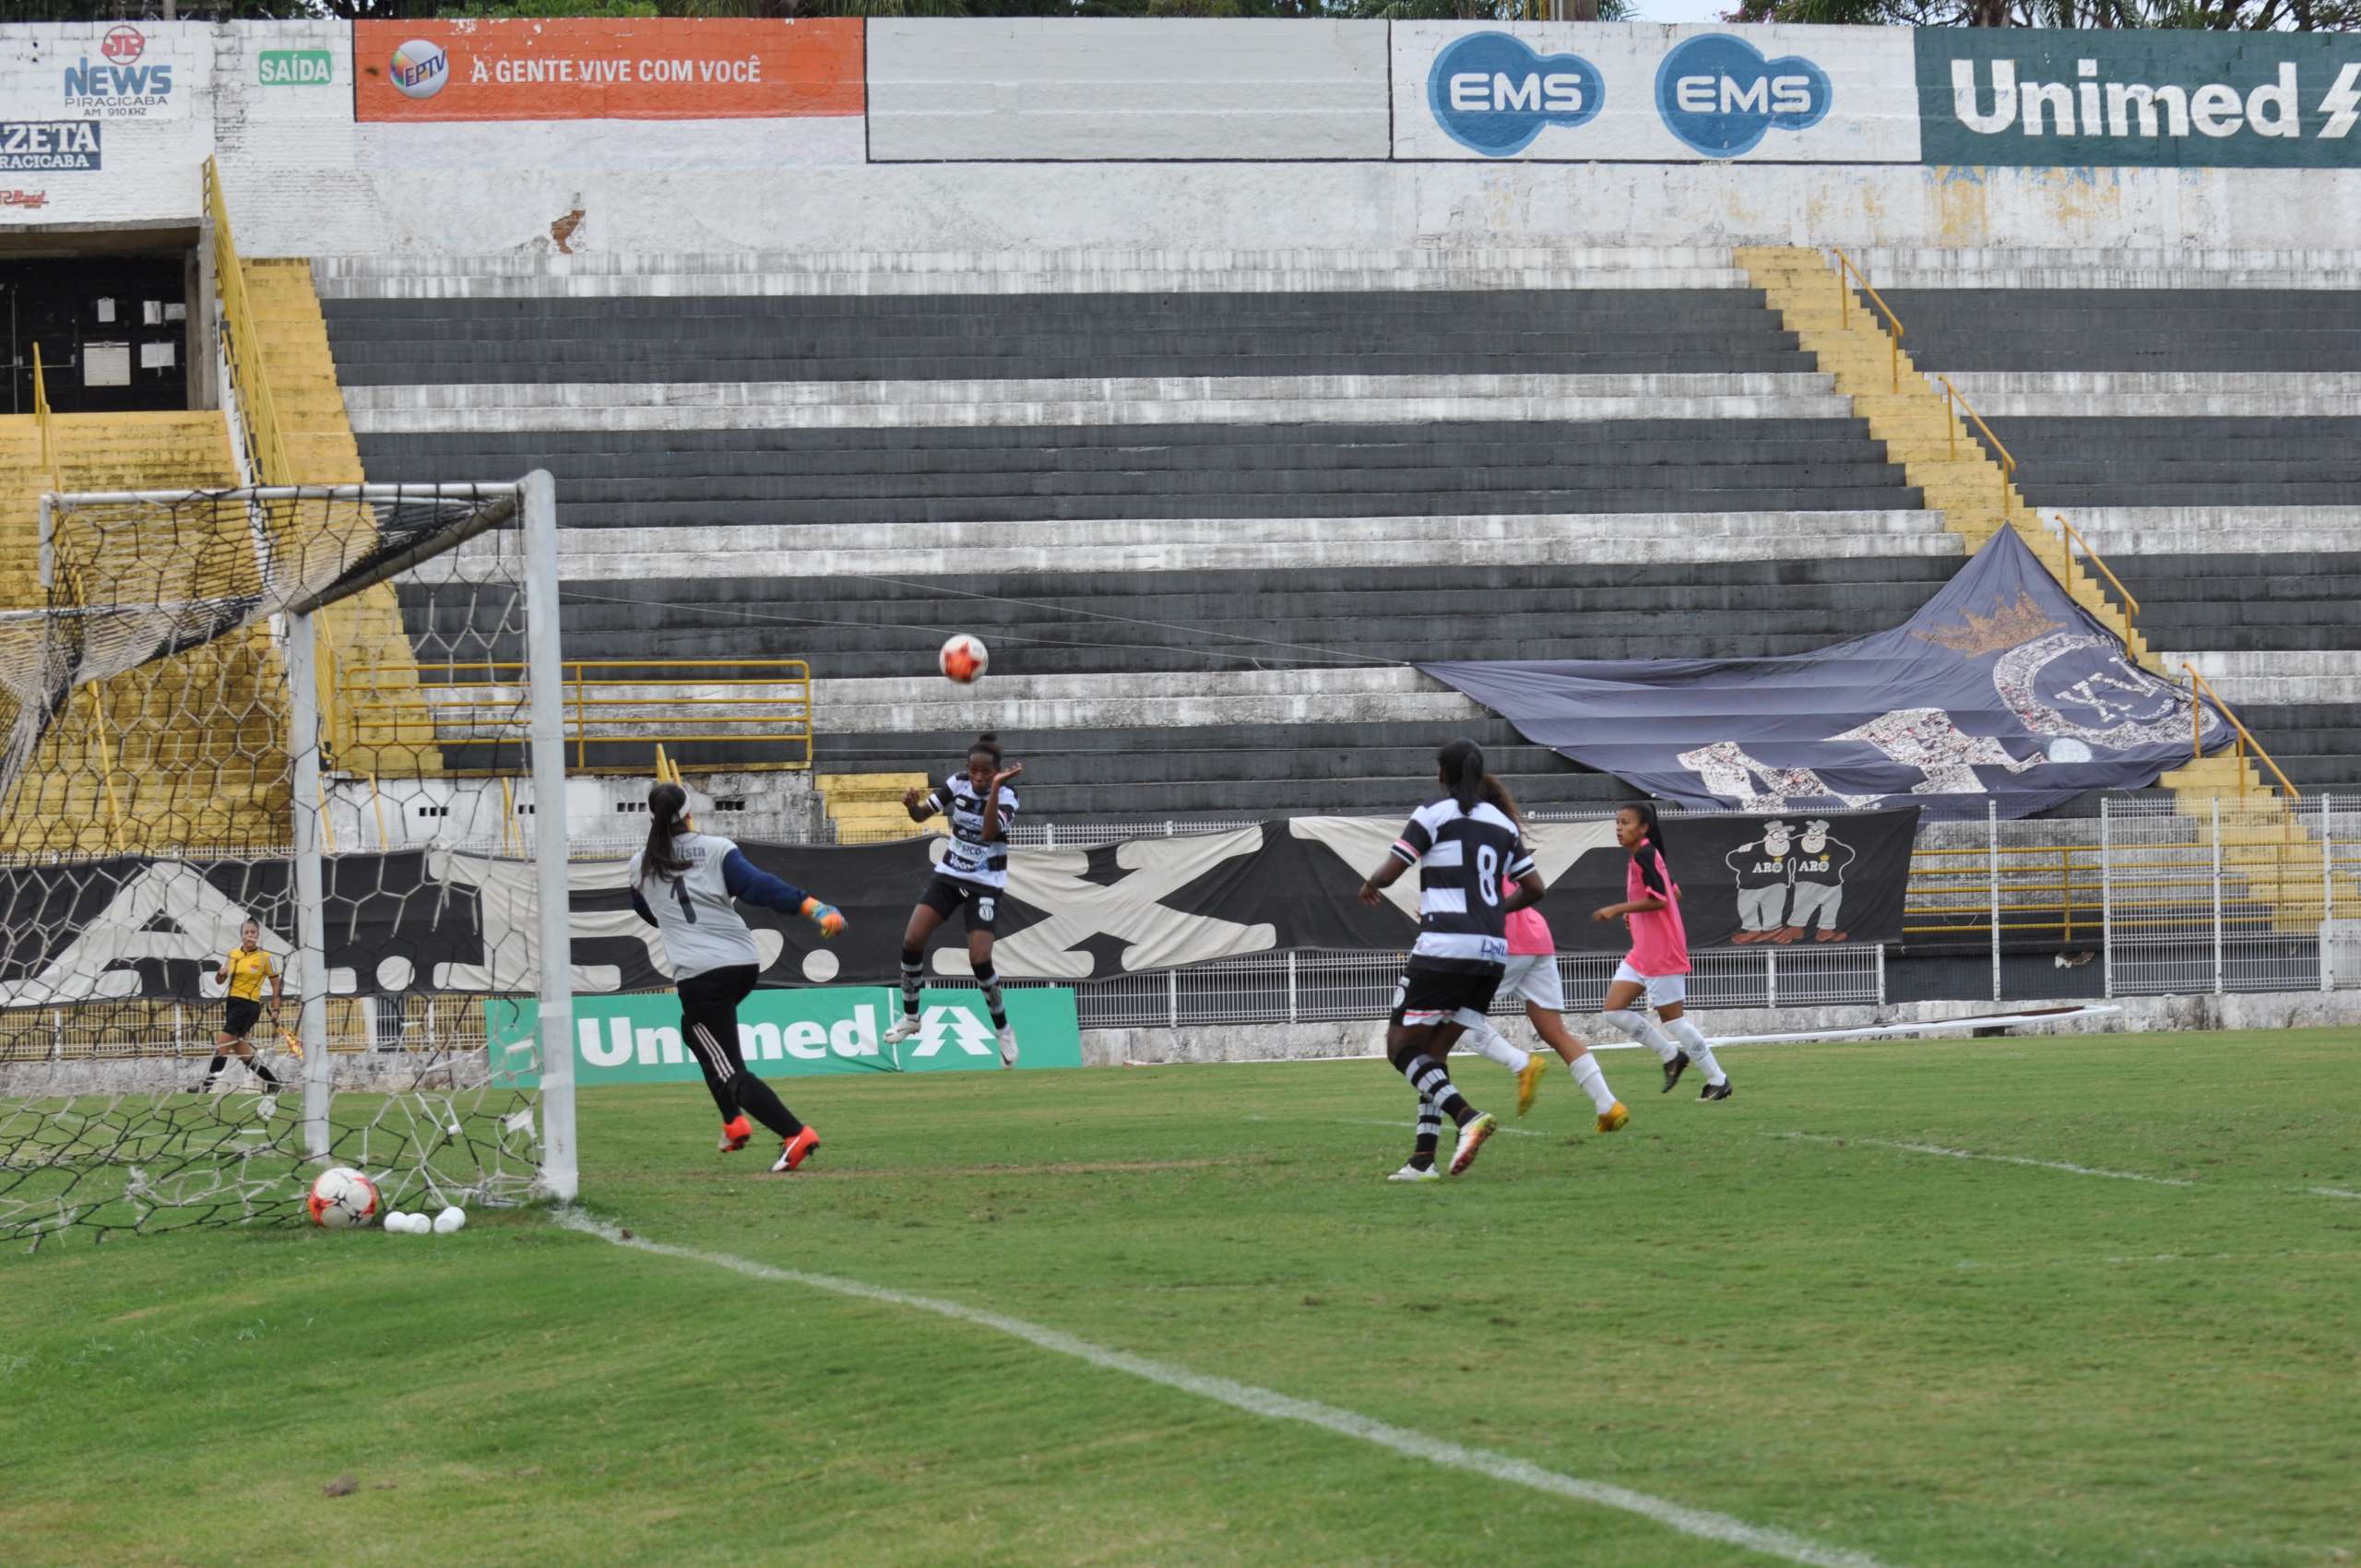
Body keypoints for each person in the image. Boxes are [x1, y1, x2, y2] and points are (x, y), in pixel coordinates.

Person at [628, 780, 846, 1173]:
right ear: (689, 813)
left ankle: (794, 1133)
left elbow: (647, 911)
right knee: (695, 1033)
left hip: (700, 975)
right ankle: (734, 1121)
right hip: (742, 962)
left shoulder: (638, 865)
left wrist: (679, 926)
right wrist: (812, 907)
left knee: (729, 1069)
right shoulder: (716, 849)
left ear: (651, 817)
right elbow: (758, 887)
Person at [1358, 740, 1543, 1182]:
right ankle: (1423, 1160)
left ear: (1443, 773)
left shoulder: (1433, 813)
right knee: (1432, 1054)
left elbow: (1391, 870)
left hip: (1444, 948)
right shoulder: (1502, 823)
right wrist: (1496, 910)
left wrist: (1370, 884)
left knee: (1400, 1049)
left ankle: (1468, 1117)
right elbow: (1535, 888)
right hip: (1492, 954)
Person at [1455, 779, 1631, 1133]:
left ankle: (1521, 1064)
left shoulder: (1469, 839)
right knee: (1556, 1033)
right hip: (1538, 937)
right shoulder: (1508, 836)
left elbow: (1478, 894)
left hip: (1505, 941)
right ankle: (1608, 1105)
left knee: (1458, 1017)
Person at [884, 734, 1025, 1068]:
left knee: (979, 958)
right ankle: (911, 1017)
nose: (978, 779)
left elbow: (990, 833)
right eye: (974, 772)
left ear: (997, 772)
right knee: (912, 938)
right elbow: (922, 816)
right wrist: (910, 806)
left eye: (986, 773)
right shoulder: (956, 784)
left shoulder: (1007, 795)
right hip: (950, 875)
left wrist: (993, 791)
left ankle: (1003, 1029)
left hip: (986, 882)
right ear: (967, 769)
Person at [1591, 802, 1732, 1100]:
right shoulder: (1643, 855)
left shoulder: (1645, 853)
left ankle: (1718, 1080)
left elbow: (1661, 900)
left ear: (1643, 828)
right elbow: (1674, 892)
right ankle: (1671, 1056)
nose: (1619, 827)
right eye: (1617, 822)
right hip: (1643, 949)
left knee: (1674, 1020)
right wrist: (1637, 915)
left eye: (1626, 822)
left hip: (1661, 950)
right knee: (1613, 1010)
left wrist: (1619, 909)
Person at [200, 919, 285, 1110]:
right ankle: (274, 1083)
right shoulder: (234, 954)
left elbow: (276, 984)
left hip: (249, 1007)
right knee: (243, 1053)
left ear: (258, 935)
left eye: (253, 932)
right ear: (242, 935)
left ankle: (205, 1087)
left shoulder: (266, 958)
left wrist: (276, 1009)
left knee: (222, 1045)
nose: (250, 935)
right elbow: (220, 980)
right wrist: (221, 973)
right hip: (232, 1004)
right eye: (247, 932)